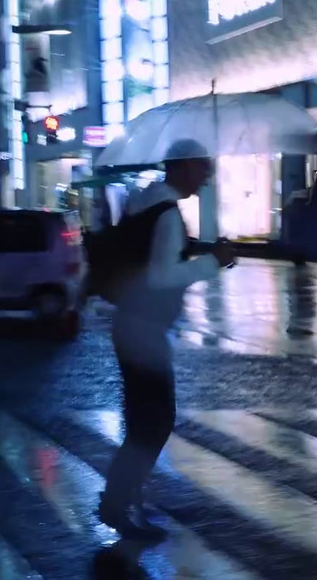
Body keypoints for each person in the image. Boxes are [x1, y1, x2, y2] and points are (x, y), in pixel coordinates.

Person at [98, 139, 235, 541]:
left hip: (129, 324)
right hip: (144, 330)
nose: (207, 175)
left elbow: (154, 253)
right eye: (202, 167)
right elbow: (160, 276)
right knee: (154, 423)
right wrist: (213, 263)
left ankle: (122, 503)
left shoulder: (144, 203)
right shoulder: (168, 213)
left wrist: (202, 248)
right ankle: (116, 504)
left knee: (144, 421)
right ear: (182, 167)